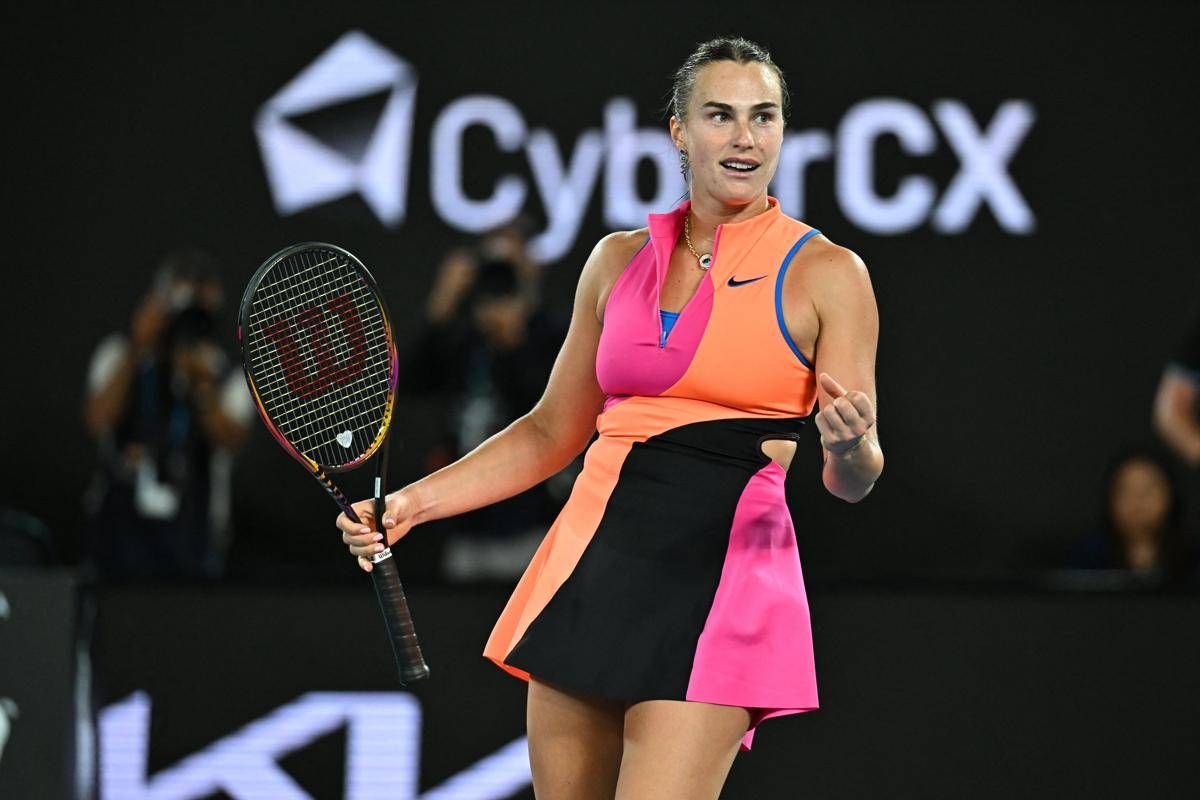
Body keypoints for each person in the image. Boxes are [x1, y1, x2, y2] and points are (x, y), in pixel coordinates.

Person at [338, 37, 883, 798]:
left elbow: (854, 479)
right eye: (720, 116)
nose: (745, 138)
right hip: (590, 570)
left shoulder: (829, 273)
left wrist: (849, 447)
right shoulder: (616, 261)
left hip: (722, 585)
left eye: (764, 117)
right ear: (679, 132)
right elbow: (549, 432)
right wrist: (411, 505)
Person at [82, 250, 253, 581]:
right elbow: (98, 419)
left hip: (194, 539)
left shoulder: (224, 372)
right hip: (118, 536)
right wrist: (139, 348)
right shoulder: (119, 355)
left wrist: (200, 386)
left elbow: (232, 439)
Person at [1065, 445, 1196, 585]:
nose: (1137, 502)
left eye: (1148, 490)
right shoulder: (1086, 558)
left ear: (1171, 495)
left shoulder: (1193, 558)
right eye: (1126, 491)